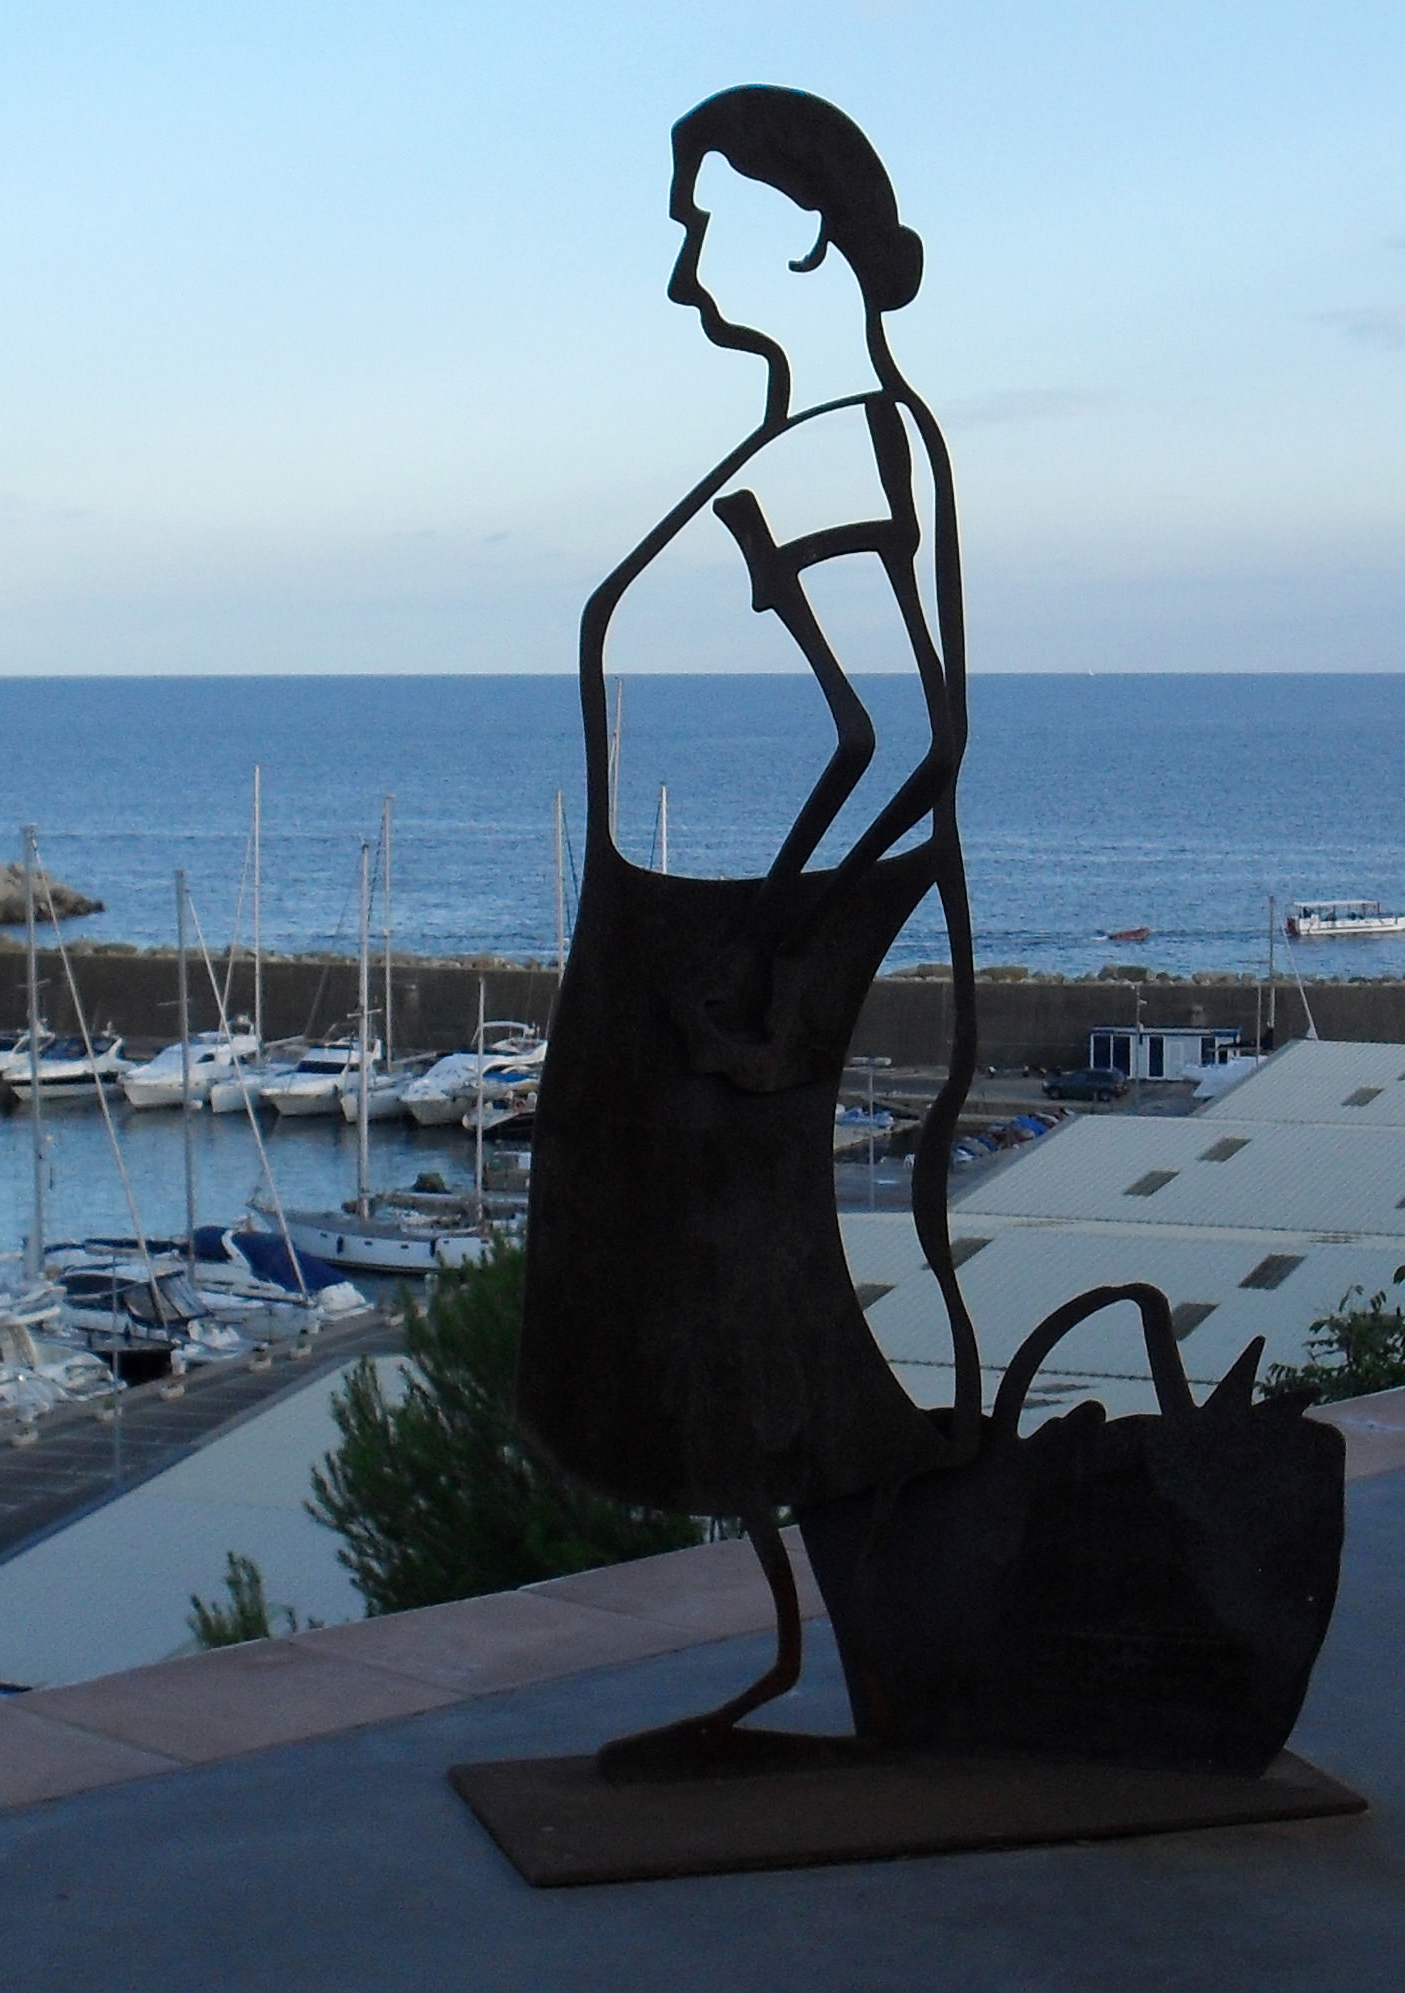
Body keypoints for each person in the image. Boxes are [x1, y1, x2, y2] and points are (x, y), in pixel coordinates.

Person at [519, 86, 987, 1768]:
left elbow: (901, 735)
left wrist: (779, 967)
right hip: (679, 975)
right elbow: (879, 739)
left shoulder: (844, 440)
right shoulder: (817, 433)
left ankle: (830, 1668)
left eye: (699, 229)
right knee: (735, 1346)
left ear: (799, 237)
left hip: (711, 999)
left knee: (754, 1347)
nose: (679, 273)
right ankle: (838, 1664)